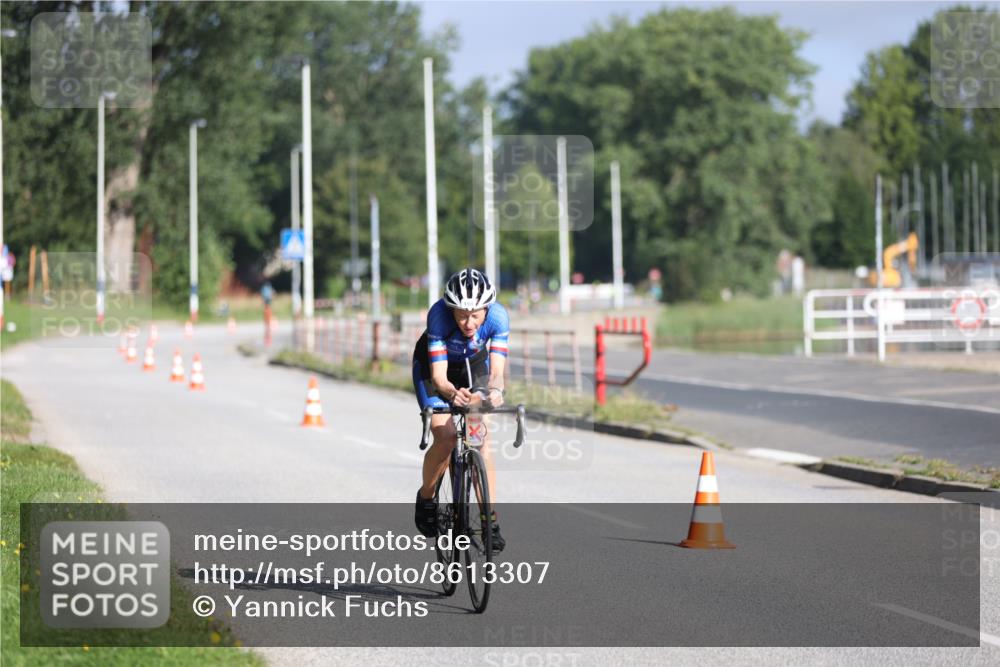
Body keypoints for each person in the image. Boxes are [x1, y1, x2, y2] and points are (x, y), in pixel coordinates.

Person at [412, 268, 509, 550]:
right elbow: (440, 378)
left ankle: (489, 520)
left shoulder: (499, 317)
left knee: (480, 439)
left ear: (487, 309)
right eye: (462, 315)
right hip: (433, 370)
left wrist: (494, 392)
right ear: (451, 310)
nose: (468, 323)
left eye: (475, 315)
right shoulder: (439, 316)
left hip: (472, 367)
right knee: (445, 436)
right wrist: (453, 395)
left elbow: (497, 372)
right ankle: (426, 498)